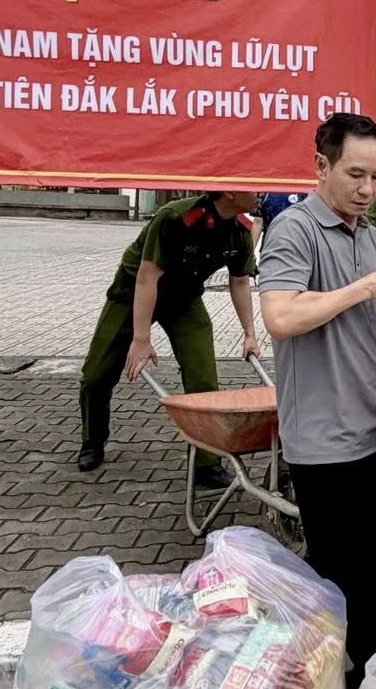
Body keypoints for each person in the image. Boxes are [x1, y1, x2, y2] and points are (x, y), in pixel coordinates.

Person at [260, 114, 376, 681]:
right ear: (322, 166)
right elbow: (280, 315)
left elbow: (367, 321)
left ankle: (336, 607)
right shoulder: (294, 230)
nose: (368, 189)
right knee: (366, 600)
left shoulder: (370, 234)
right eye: (355, 175)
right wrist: (365, 286)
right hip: (324, 441)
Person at [76, 190, 262, 484]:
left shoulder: (240, 230)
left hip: (184, 299)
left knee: (203, 379)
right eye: (253, 186)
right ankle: (93, 441)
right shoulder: (176, 217)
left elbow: (239, 281)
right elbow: (147, 276)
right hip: (132, 294)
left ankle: (206, 464)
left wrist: (249, 334)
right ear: (229, 191)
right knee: (97, 375)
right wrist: (141, 339)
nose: (261, 191)